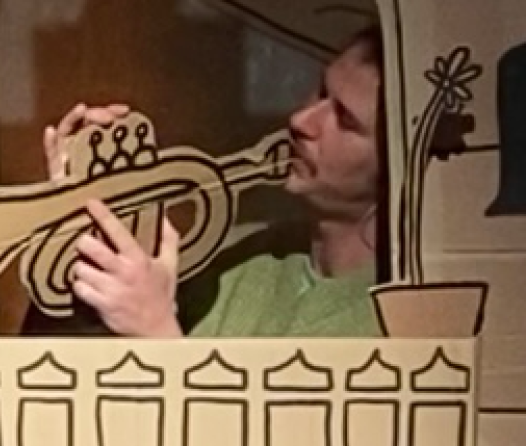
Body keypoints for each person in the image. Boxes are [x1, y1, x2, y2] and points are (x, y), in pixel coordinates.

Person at [41, 26, 386, 338]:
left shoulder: (395, 316)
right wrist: (83, 216)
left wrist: (156, 331)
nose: (301, 120)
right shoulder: (240, 253)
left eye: (345, 119)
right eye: (321, 91)